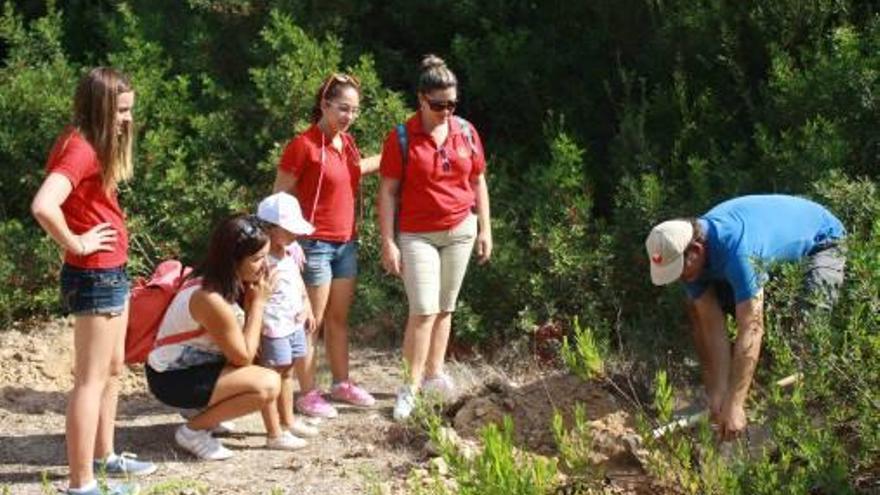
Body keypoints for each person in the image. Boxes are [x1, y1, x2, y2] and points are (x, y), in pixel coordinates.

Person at [31, 67, 155, 495]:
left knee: (114, 369)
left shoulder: (88, 143)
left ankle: (105, 458)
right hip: (95, 273)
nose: (128, 119)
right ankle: (81, 483)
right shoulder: (80, 148)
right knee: (90, 379)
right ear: (101, 108)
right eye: (122, 111)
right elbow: (44, 205)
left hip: (110, 271)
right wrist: (78, 242)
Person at [645, 194, 846, 439]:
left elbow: (751, 327)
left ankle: (808, 422)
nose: (678, 278)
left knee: (805, 330)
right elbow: (712, 324)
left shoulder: (737, 250)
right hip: (771, 255)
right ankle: (744, 397)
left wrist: (736, 402)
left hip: (822, 240)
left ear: (696, 250)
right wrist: (720, 393)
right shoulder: (691, 260)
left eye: (678, 270)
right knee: (697, 309)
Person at [377, 55, 493, 421]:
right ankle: (409, 388)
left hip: (461, 228)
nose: (446, 111)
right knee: (422, 310)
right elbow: (388, 191)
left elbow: (478, 181)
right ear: (421, 99)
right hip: (417, 234)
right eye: (438, 104)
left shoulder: (467, 132)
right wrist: (388, 240)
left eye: (452, 104)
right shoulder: (400, 137)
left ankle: (434, 374)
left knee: (445, 308)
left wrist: (486, 229)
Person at [273, 72, 381, 418]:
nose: (348, 116)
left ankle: (341, 382)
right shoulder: (302, 145)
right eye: (343, 109)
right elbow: (279, 195)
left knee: (338, 318)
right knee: (311, 321)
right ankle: (307, 393)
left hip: (345, 243)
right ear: (324, 105)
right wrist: (284, 242)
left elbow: (351, 172)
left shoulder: (345, 144)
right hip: (314, 244)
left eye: (354, 110)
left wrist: (391, 154)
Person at [145, 214, 281, 460]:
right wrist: (258, 305)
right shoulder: (209, 297)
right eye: (257, 258)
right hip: (170, 378)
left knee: (265, 372)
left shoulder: (227, 283)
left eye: (266, 256)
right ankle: (192, 432)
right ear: (232, 260)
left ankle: (207, 417)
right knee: (267, 384)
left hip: (193, 367)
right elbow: (243, 357)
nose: (265, 266)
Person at [255, 192, 320, 449]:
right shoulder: (261, 259)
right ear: (269, 229)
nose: (295, 235)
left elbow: (297, 281)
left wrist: (307, 305)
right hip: (273, 327)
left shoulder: (289, 252)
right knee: (274, 376)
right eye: (288, 229)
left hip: (292, 323)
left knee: (288, 371)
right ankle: (274, 432)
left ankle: (288, 422)